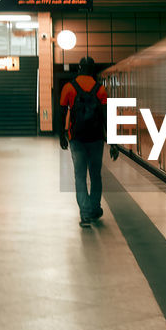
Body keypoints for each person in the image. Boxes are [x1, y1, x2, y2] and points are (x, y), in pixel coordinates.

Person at [59, 56, 109, 228]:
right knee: (95, 175)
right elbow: (105, 117)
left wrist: (61, 135)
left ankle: (85, 214)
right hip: (96, 139)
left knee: (80, 176)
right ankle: (95, 209)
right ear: (93, 69)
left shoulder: (69, 88)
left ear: (79, 68)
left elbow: (62, 112)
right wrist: (112, 141)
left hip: (77, 139)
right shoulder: (100, 89)